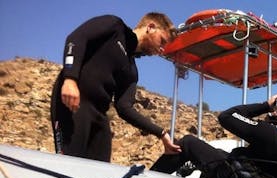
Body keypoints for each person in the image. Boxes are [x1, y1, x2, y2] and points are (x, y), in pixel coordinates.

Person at [50, 12, 180, 162]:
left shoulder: (132, 71)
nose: (161, 49)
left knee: (100, 174)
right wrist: (70, 79)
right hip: (71, 104)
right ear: (150, 27)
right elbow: (76, 39)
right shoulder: (115, 27)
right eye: (162, 41)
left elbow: (124, 108)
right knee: (67, 167)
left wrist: (161, 133)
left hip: (99, 115)